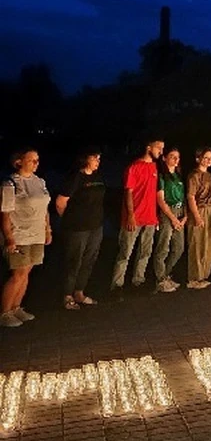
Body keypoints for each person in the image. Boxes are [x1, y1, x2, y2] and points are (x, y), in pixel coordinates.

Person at [1, 149, 51, 327]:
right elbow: (5, 213)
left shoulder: (40, 182)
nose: (36, 163)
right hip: (20, 234)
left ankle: (16, 307)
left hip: (36, 233)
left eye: (37, 160)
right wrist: (9, 237)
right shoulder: (10, 183)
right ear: (19, 162)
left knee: (27, 272)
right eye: (31, 160)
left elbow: (45, 208)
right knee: (18, 273)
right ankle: (5, 312)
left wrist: (48, 229)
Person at [111, 138, 163, 298]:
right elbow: (129, 192)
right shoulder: (134, 167)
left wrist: (155, 216)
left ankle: (138, 280)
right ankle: (117, 285)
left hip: (150, 217)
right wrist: (131, 215)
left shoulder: (154, 167)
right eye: (158, 148)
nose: (160, 151)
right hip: (134, 217)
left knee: (145, 252)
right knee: (126, 252)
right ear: (148, 147)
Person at [57, 148, 105, 309]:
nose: (98, 161)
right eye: (95, 158)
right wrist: (70, 219)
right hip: (78, 227)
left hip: (95, 226)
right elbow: (60, 202)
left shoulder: (98, 177)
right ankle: (67, 295)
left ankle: (80, 292)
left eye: (99, 158)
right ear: (86, 159)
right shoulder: (76, 178)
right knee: (74, 261)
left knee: (89, 259)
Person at [153, 148, 185, 294]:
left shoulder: (178, 176)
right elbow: (160, 199)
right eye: (172, 157)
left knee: (178, 248)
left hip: (179, 212)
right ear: (164, 158)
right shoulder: (161, 176)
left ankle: (166, 273)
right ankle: (160, 279)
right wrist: (172, 218)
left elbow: (183, 197)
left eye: (177, 157)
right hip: (167, 212)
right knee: (163, 247)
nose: (175, 160)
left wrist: (184, 217)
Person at [186, 148, 211, 289]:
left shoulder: (209, 175)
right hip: (199, 209)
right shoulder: (194, 176)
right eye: (206, 157)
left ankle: (204, 275)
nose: (209, 160)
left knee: (208, 244)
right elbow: (191, 196)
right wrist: (197, 216)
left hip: (210, 210)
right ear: (198, 159)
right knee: (197, 244)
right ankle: (194, 278)